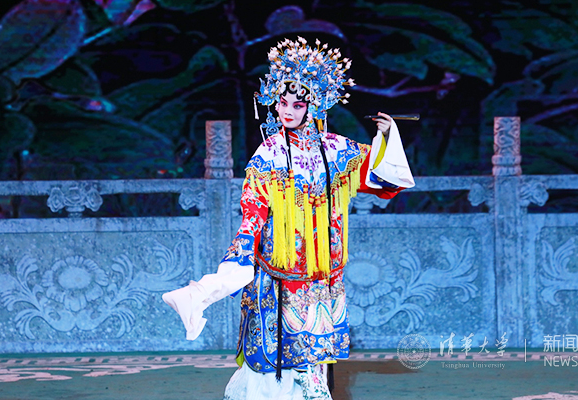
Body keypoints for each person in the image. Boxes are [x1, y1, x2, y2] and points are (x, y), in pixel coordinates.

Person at [163, 36, 415, 400]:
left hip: (322, 271)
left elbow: (385, 180)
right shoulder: (269, 153)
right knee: (276, 355)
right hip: (279, 270)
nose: (288, 111)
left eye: (297, 104)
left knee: (316, 350)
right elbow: (254, 208)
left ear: (315, 106)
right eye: (282, 103)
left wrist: (388, 137)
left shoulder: (337, 149)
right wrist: (241, 254)